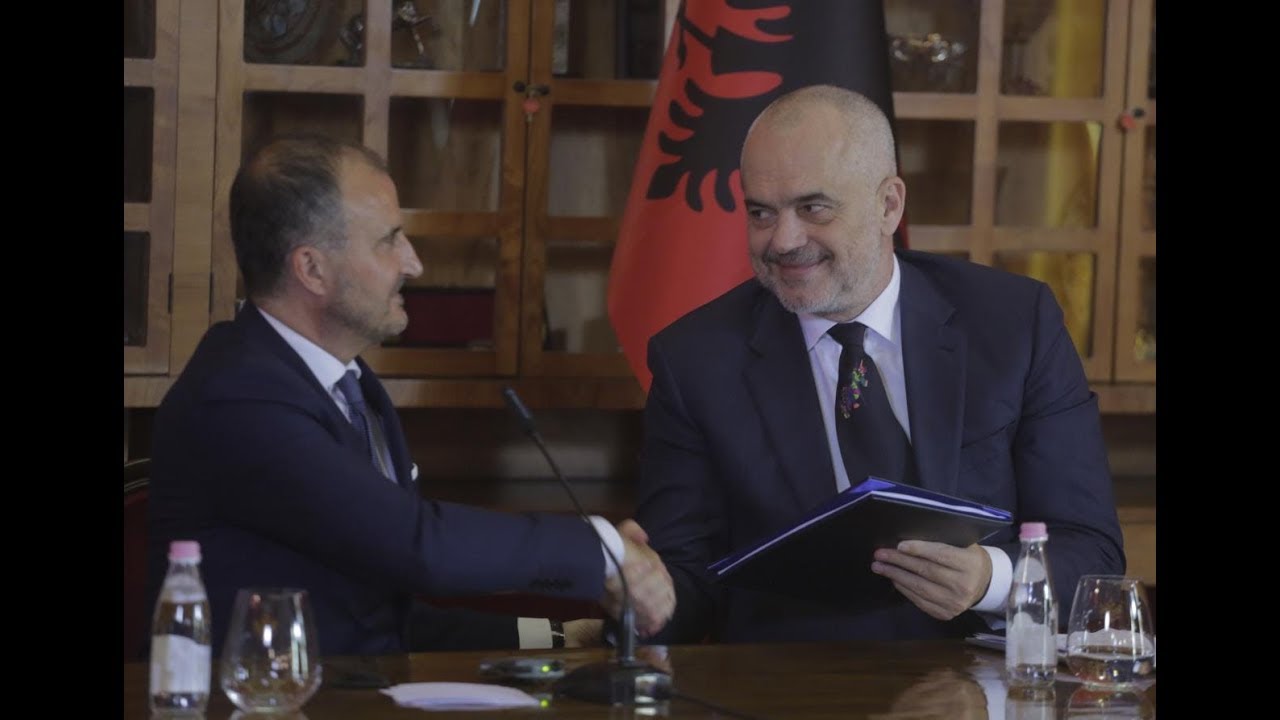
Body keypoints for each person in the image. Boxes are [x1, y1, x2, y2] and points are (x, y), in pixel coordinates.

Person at [145, 135, 674, 656]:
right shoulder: (240, 398)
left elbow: (384, 616)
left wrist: (561, 636)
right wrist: (603, 551)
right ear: (312, 269)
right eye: (389, 240)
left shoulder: (351, 387)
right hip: (257, 699)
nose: (414, 263)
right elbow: (418, 546)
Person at [634, 85, 1124, 644]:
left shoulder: (1013, 324)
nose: (783, 240)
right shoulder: (695, 359)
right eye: (761, 213)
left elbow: (1092, 551)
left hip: (975, 674)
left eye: (813, 208)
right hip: (787, 679)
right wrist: (638, 592)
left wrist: (990, 579)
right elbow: (686, 581)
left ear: (889, 205)